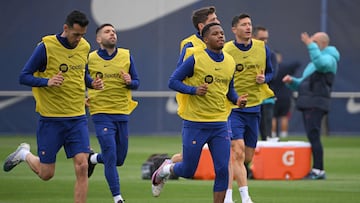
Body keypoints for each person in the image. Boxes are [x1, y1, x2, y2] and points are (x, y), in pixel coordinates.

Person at [3, 10, 104, 203]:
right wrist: (47, 81)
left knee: (82, 167)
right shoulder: (46, 47)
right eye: (76, 34)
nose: (79, 39)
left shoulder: (84, 47)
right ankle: (24, 154)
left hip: (77, 117)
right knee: (46, 173)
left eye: (82, 34)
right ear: (65, 28)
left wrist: (92, 83)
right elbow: (23, 76)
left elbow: (81, 76)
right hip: (51, 120)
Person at [151, 23, 248, 203]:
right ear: (205, 40)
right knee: (188, 171)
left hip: (220, 123)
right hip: (196, 123)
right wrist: (193, 90)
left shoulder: (229, 61)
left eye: (222, 33)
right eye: (215, 34)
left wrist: (237, 101)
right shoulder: (195, 59)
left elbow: (229, 91)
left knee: (222, 170)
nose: (220, 36)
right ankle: (165, 170)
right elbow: (173, 81)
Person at [223, 14, 274, 203]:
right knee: (236, 151)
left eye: (250, 24)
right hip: (233, 108)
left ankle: (231, 184)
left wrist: (265, 79)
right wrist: (233, 97)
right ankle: (238, 197)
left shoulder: (262, 48)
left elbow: (271, 71)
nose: (248, 27)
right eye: (243, 24)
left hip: (254, 108)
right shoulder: (226, 50)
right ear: (234, 29)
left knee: (246, 156)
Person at [86, 23, 140, 203]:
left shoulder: (126, 55)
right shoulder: (91, 58)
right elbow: (81, 80)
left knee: (119, 159)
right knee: (110, 154)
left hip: (122, 113)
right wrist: (85, 93)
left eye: (114, 31)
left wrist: (130, 81)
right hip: (101, 113)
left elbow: (137, 82)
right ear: (98, 39)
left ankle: (92, 158)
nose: (112, 34)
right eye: (107, 32)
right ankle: (117, 197)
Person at [282, 32, 340, 180]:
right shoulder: (314, 62)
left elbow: (322, 64)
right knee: (312, 135)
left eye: (314, 42)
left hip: (316, 102)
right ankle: (317, 169)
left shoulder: (329, 59)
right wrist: (292, 82)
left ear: (322, 43)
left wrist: (310, 45)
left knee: (314, 135)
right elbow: (303, 84)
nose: (311, 45)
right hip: (309, 101)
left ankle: (318, 170)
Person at [172, 5, 221, 163]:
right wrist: (194, 90)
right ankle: (168, 166)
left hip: (219, 110)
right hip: (197, 111)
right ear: (202, 26)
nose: (218, 22)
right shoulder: (190, 46)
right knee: (188, 162)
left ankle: (234, 188)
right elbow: (177, 79)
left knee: (231, 154)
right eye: (213, 20)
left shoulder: (221, 44)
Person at [252, 25, 278, 141]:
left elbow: (273, 74)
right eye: (262, 38)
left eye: (266, 38)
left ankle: (266, 157)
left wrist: (264, 79)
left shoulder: (270, 54)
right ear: (253, 37)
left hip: (266, 99)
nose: (265, 41)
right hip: (249, 99)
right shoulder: (245, 53)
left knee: (265, 132)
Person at [271, 52, 301, 138]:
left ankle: (272, 135)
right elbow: (297, 63)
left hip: (273, 96)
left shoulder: (270, 69)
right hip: (285, 97)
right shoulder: (285, 68)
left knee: (272, 116)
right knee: (284, 116)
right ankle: (284, 135)